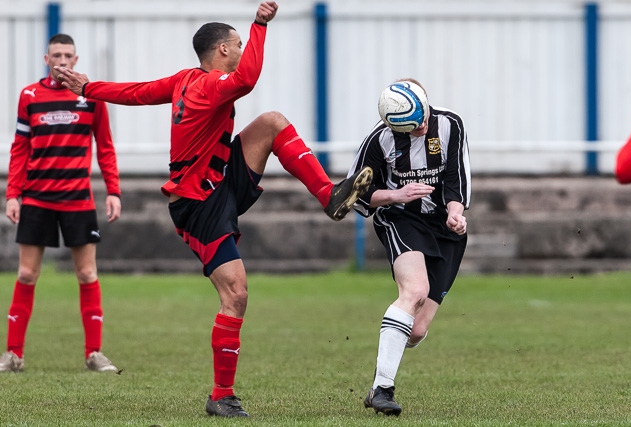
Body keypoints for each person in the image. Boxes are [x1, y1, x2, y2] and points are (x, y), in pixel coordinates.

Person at [55, 1, 373, 418]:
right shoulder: (212, 85)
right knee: (236, 293)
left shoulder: (186, 79)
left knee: (273, 123)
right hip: (197, 204)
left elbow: (135, 92)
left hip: (218, 181)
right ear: (222, 50)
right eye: (238, 44)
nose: (242, 49)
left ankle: (329, 196)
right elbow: (249, 77)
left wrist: (89, 87)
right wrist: (260, 25)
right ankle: (221, 395)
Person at [347, 78, 471, 416]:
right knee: (415, 291)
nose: (420, 129)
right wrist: (396, 195)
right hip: (400, 218)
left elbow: (456, 179)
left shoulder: (449, 124)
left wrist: (456, 214)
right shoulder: (379, 140)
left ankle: (379, 378)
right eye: (411, 128)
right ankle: (383, 389)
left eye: (422, 122)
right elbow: (356, 196)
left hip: (445, 228)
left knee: (415, 331)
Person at [1, 34, 122, 374]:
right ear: (46, 58)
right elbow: (20, 148)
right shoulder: (29, 96)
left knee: (86, 273)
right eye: (57, 55)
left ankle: (94, 353)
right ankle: (13, 355)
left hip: (78, 199)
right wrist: (13, 194)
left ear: (77, 59)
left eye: (68, 55)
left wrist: (113, 190)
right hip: (37, 198)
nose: (63, 61)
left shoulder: (92, 97)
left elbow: (106, 146)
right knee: (26, 274)